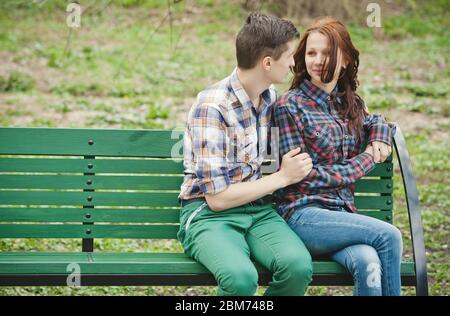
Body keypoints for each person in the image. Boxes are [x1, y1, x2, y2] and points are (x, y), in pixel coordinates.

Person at [177, 13, 314, 296]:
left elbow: (268, 161)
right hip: (208, 215)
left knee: (297, 266)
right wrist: (282, 177)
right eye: (289, 56)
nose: (293, 64)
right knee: (240, 278)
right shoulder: (212, 107)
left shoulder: (271, 99)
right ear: (267, 63)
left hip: (259, 211)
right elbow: (217, 199)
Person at [272, 17, 403, 296]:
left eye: (327, 53)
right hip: (304, 216)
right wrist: (368, 157)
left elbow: (374, 120)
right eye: (311, 53)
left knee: (368, 261)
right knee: (389, 236)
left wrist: (379, 133)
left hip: (342, 216)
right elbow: (306, 177)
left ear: (344, 60)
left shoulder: (349, 102)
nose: (318, 60)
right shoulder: (289, 106)